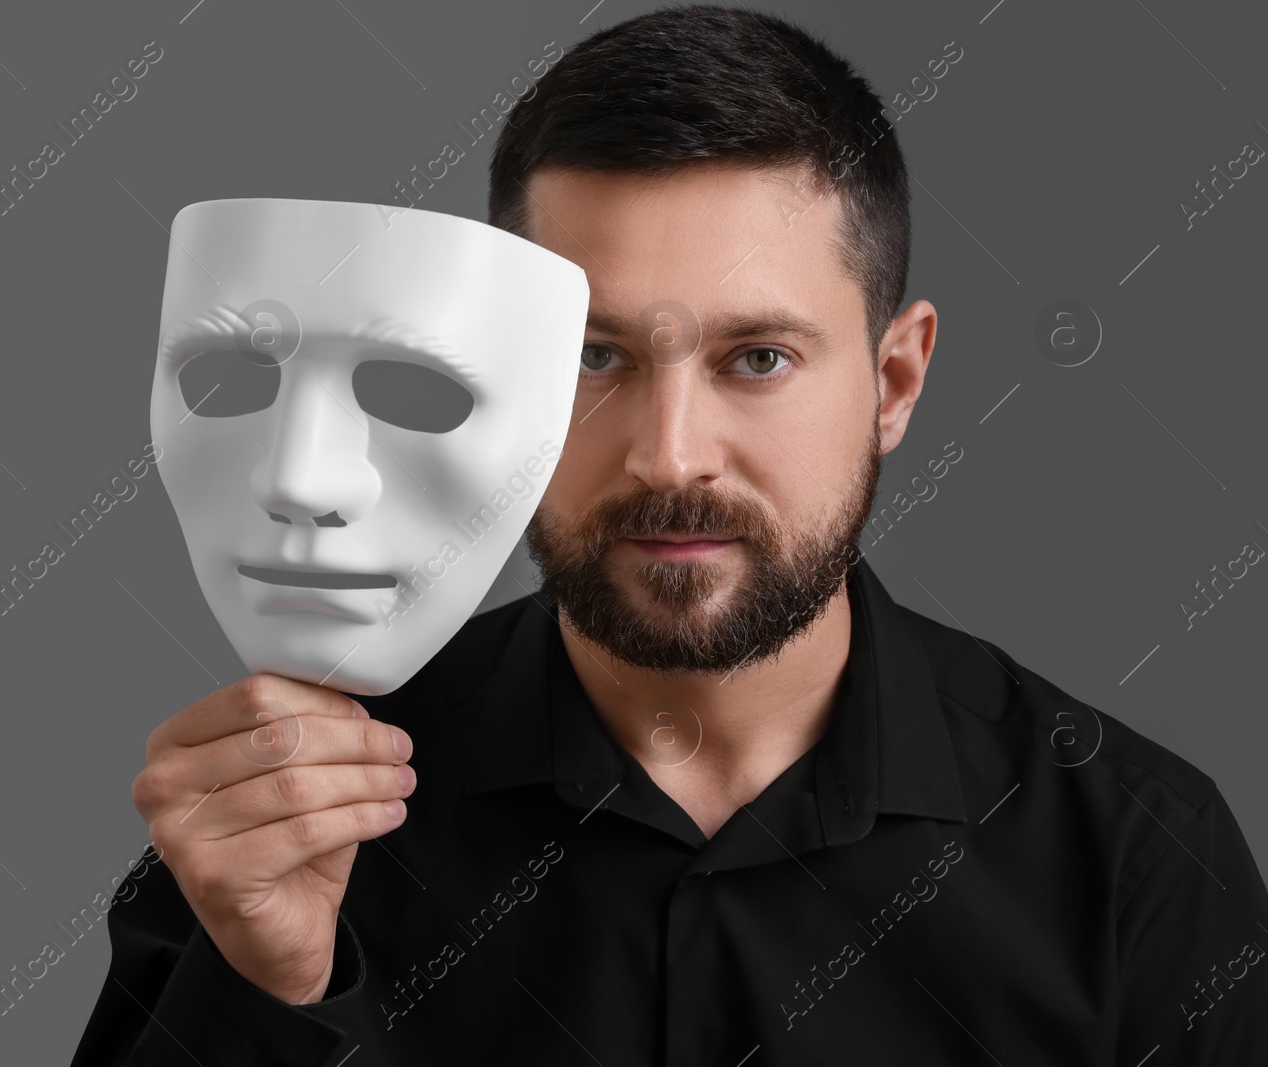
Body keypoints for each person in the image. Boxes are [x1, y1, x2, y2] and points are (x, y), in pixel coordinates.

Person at [71, 6, 1268, 1064]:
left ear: (895, 380)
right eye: (596, 356)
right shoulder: (277, 825)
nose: (667, 454)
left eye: (758, 358)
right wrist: (276, 991)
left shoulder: (1135, 859)